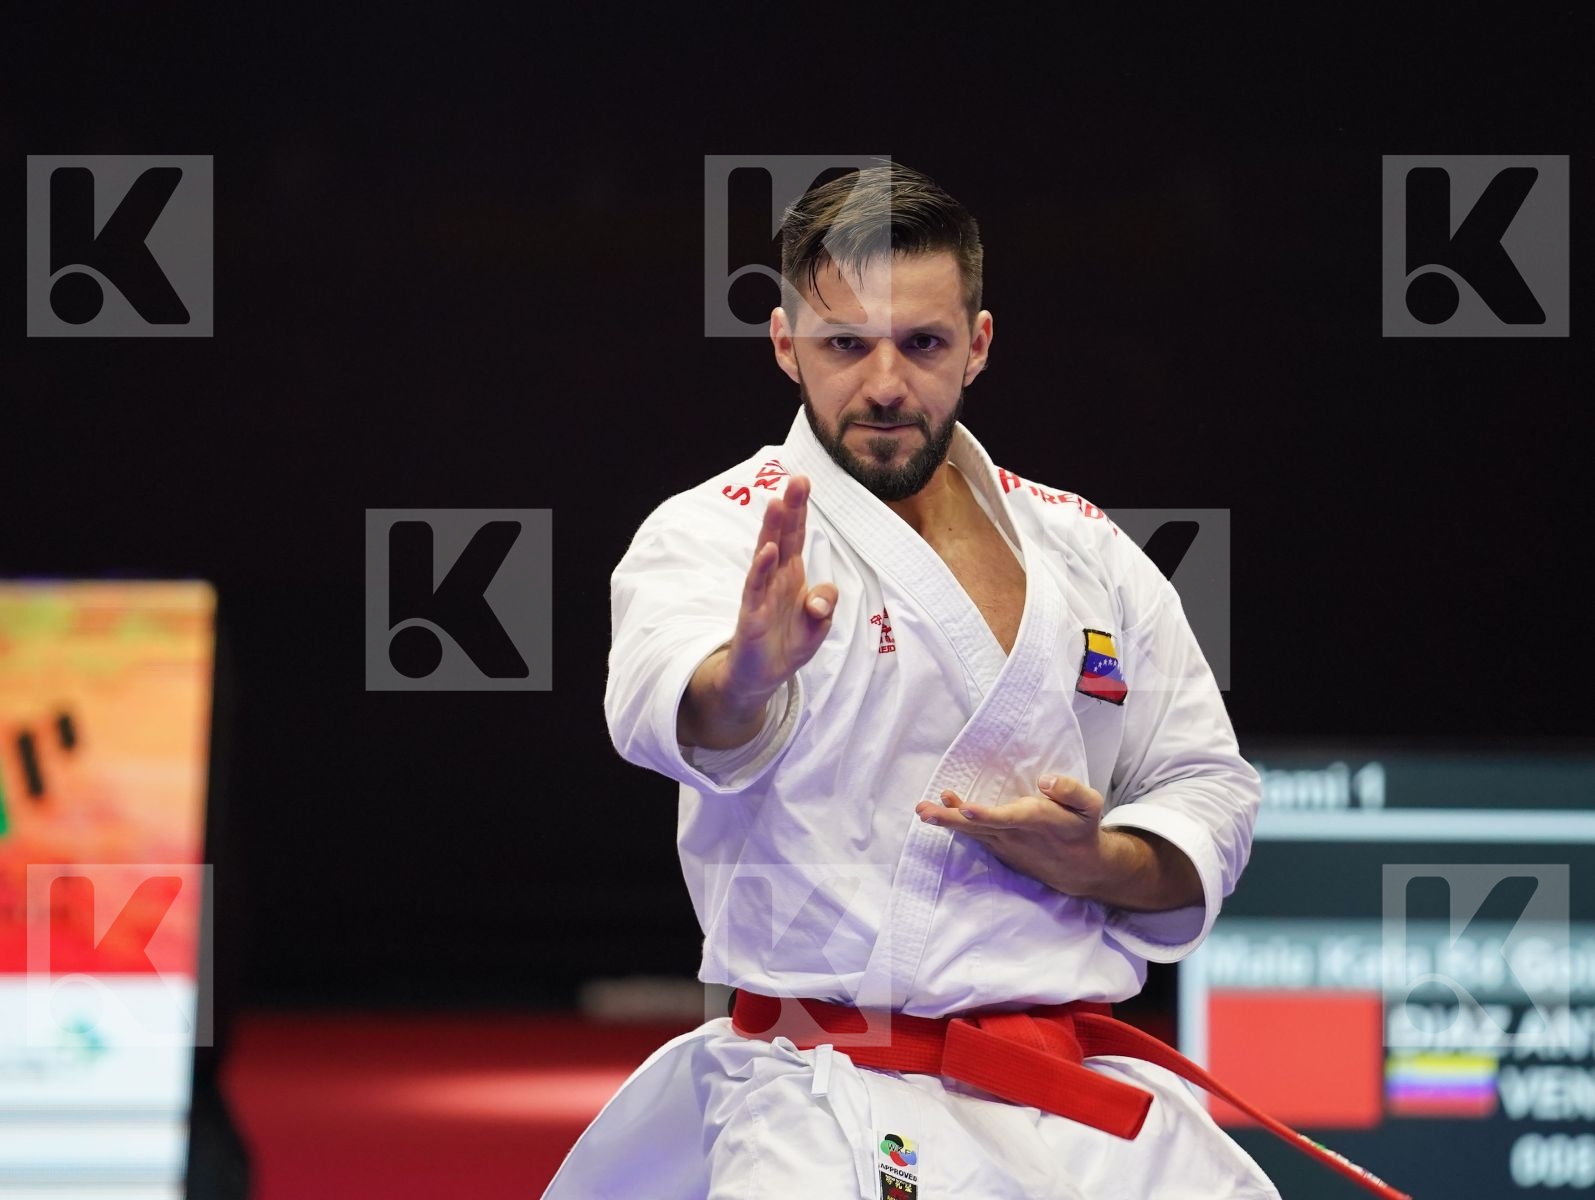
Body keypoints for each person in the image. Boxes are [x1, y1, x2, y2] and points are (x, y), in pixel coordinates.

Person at [544, 164, 1402, 1200]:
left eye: (921, 342)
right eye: (843, 344)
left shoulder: (1084, 548)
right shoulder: (717, 528)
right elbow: (659, 709)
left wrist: (1098, 859)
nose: (884, 384)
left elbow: (1209, 790)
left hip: (1078, 1098)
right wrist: (747, 676)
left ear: (977, 345)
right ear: (784, 346)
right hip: (824, 1099)